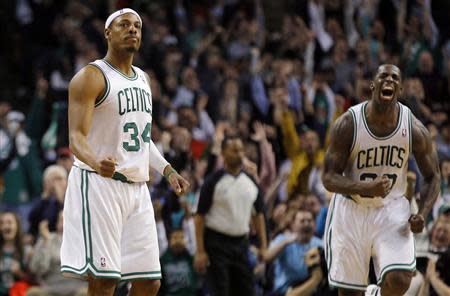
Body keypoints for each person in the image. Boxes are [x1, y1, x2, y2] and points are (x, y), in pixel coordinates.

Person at [60, 8, 190, 296]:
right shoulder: (91, 76)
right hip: (99, 184)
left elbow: (141, 137)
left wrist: (167, 170)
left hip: (137, 187)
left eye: (138, 26)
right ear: (108, 32)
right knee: (105, 281)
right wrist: (96, 161)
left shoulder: (143, 78)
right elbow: (76, 138)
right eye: (124, 24)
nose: (133, 29)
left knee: (150, 282)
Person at [322, 64, 440, 296]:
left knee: (400, 279)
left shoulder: (413, 128)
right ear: (373, 85)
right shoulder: (348, 123)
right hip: (352, 210)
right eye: (383, 76)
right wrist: (363, 188)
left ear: (400, 89)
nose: (389, 80)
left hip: (391, 209)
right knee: (349, 292)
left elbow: (433, 176)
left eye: (395, 78)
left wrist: (423, 214)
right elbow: (328, 177)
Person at [194, 135, 268, 296]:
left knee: (247, 290)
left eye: (241, 150)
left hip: (241, 243)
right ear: (223, 153)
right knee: (220, 291)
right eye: (234, 150)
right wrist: (200, 251)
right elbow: (199, 217)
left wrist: (263, 245)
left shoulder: (250, 182)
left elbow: (259, 214)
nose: (239, 154)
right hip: (216, 244)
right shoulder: (213, 181)